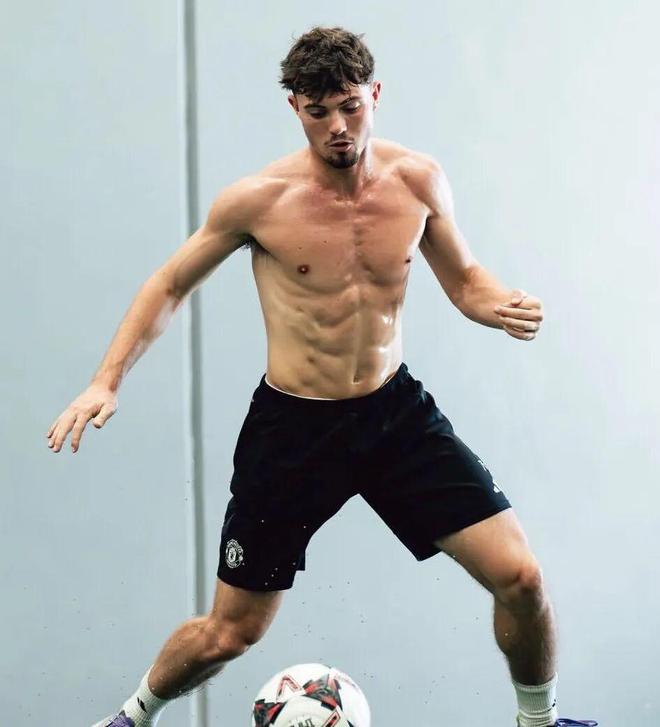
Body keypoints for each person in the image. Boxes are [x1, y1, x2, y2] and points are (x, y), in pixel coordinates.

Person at [47, 25, 596, 727]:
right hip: (293, 428)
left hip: (394, 416)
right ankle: (130, 717)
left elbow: (465, 281)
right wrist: (107, 380)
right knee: (231, 632)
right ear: (295, 109)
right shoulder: (259, 201)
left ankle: (539, 722)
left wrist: (497, 305)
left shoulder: (418, 181)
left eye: (350, 106)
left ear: (375, 95)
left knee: (521, 577)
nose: (338, 126)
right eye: (318, 111)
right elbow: (169, 284)